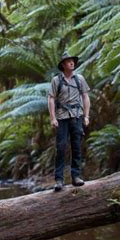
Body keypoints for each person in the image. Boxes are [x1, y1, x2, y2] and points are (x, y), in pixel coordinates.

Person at [48, 52, 91, 192]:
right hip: (61, 118)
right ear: (63, 65)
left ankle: (76, 176)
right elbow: (51, 99)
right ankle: (59, 179)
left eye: (72, 61)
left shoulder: (80, 79)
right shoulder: (56, 80)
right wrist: (53, 117)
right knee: (61, 148)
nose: (72, 63)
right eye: (68, 61)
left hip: (77, 116)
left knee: (77, 147)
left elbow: (85, 97)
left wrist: (86, 116)